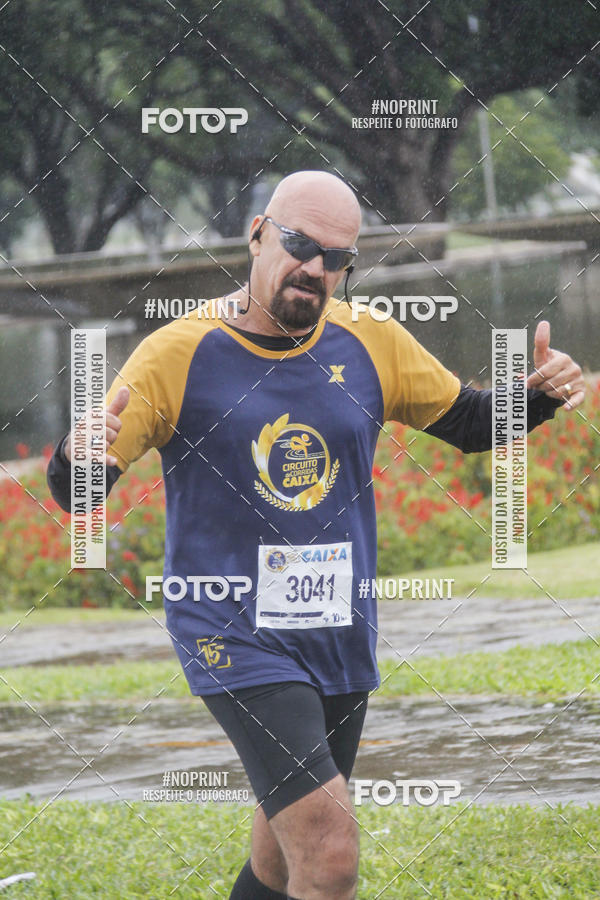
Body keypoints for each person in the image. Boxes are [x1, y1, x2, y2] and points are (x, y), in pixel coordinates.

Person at [47, 170, 585, 900]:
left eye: (337, 258)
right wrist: (77, 460)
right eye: (300, 244)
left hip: (338, 627)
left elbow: (465, 422)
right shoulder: (180, 353)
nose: (316, 269)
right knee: (330, 848)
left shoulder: (371, 341)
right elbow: (81, 490)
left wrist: (536, 400)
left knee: (281, 857)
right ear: (259, 234)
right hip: (232, 627)